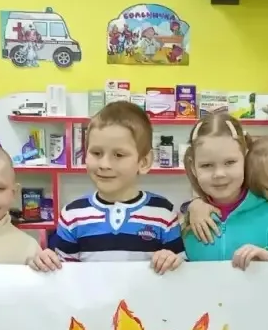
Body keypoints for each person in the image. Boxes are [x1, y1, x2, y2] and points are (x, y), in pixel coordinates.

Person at [30, 101, 184, 272]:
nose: (104, 164)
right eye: (96, 153)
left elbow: (181, 270)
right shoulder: (72, 214)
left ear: (144, 162)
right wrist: (46, 262)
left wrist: (170, 259)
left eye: (118, 155)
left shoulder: (163, 212)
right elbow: (63, 274)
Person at [178, 114, 268, 267]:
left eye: (230, 162)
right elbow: (181, 265)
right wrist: (171, 261)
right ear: (193, 167)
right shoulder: (188, 222)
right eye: (207, 165)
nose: (219, 174)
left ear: (245, 158)